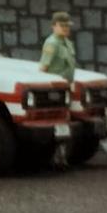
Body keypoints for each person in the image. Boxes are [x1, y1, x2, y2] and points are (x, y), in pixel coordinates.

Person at [38, 11, 77, 168]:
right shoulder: (52, 43)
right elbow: (44, 68)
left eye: (67, 25)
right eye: (62, 25)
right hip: (54, 90)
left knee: (65, 124)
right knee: (56, 123)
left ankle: (61, 156)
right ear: (54, 26)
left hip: (66, 87)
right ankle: (54, 157)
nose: (65, 28)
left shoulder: (67, 43)